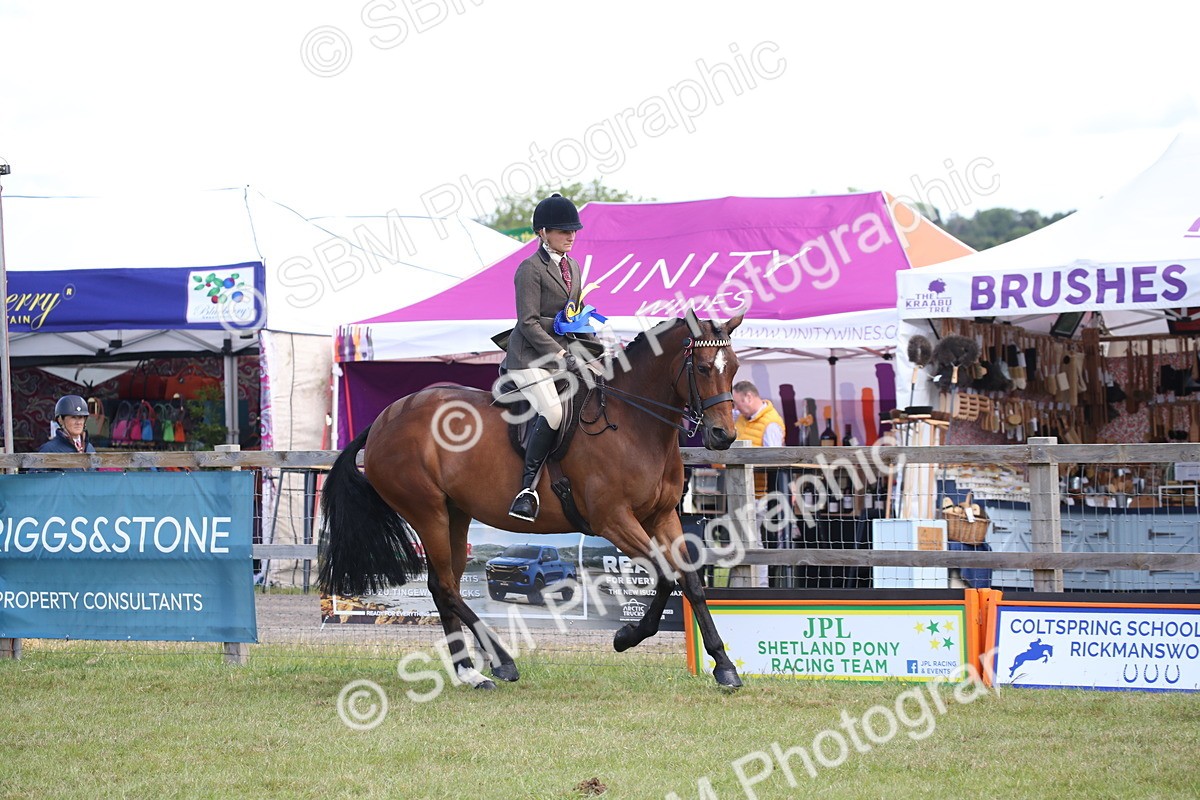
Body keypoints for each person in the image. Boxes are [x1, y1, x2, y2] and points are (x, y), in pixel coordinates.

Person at [503, 193, 593, 522]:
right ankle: (527, 490)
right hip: (529, 358)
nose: (571, 236)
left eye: (573, 230)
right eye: (562, 230)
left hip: (566, 355)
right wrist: (558, 352)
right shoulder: (529, 269)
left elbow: (573, 315)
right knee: (554, 412)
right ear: (542, 232)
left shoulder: (574, 266)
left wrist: (595, 349)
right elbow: (527, 323)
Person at [732, 381, 788, 586]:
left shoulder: (771, 423)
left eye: (737, 402)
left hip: (759, 495)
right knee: (739, 542)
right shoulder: (740, 417)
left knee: (755, 543)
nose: (735, 408)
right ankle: (742, 585)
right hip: (737, 493)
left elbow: (773, 461)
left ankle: (759, 587)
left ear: (748, 397)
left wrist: (745, 464)